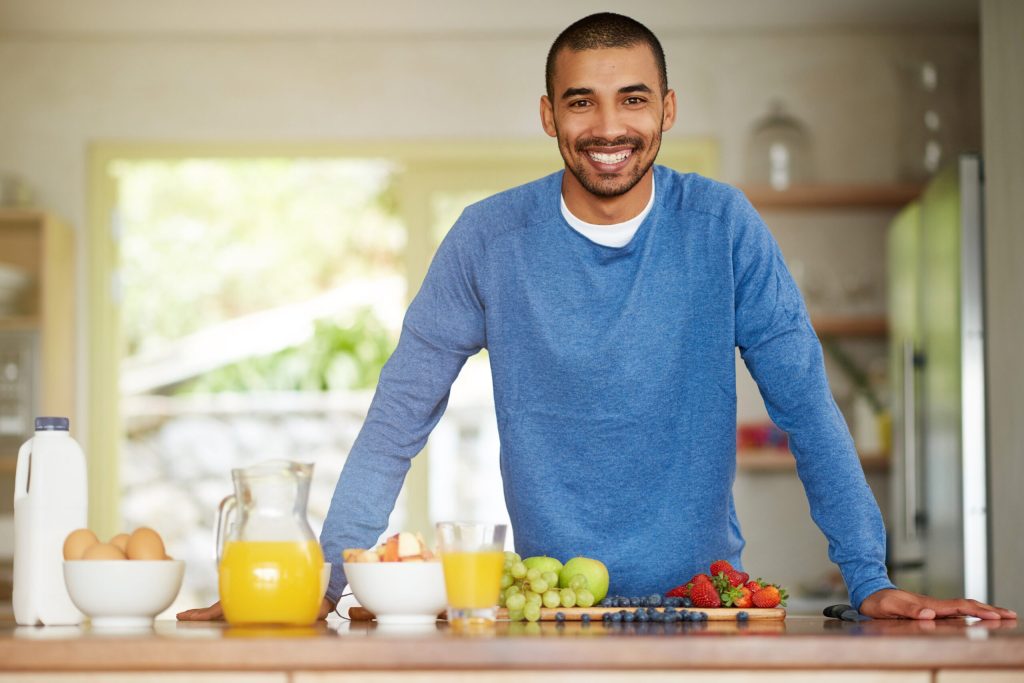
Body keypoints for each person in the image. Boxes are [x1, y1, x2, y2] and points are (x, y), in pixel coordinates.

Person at [179, 12, 1015, 622]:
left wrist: (867, 576)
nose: (608, 127)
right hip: (546, 611)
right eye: (581, 103)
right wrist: (320, 579)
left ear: (667, 110)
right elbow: (401, 410)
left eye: (632, 100)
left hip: (704, 607)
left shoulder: (722, 226)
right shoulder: (489, 239)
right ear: (549, 115)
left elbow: (805, 404)